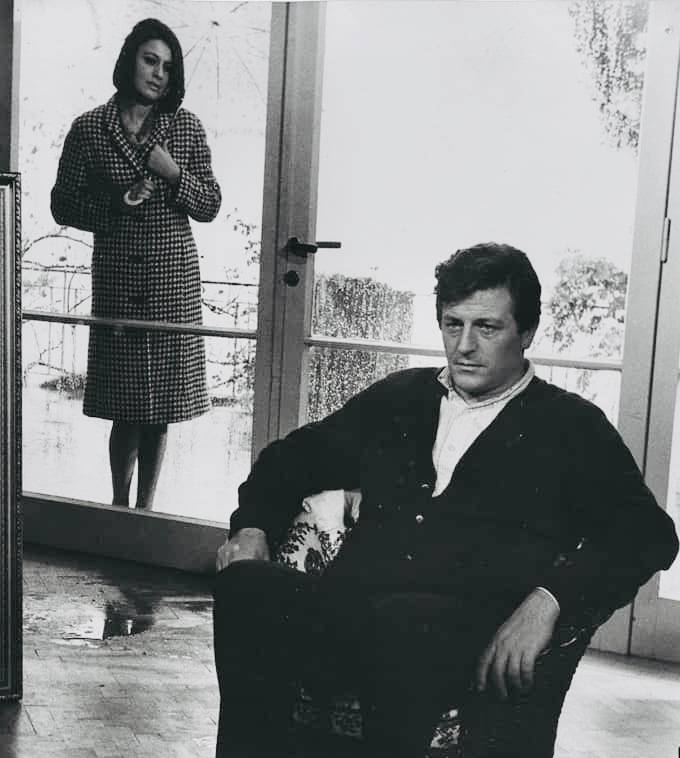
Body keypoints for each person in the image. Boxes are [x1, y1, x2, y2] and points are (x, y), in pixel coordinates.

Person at [213, 243, 679, 757]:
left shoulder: (569, 426)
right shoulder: (401, 398)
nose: (465, 346)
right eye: (452, 324)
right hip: (350, 612)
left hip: (456, 632)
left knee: (406, 623)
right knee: (247, 588)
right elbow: (290, 459)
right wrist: (252, 527)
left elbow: (648, 533)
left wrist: (550, 600)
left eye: (487, 327)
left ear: (526, 333)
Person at [51, 17, 221, 510]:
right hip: (119, 275)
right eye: (151, 60)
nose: (159, 73)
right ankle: (118, 508)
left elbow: (209, 204)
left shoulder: (185, 127)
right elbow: (63, 204)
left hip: (172, 280)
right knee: (124, 406)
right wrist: (118, 202)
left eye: (168, 66)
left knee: (159, 407)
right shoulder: (89, 129)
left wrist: (173, 173)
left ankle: (145, 512)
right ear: (128, 61)